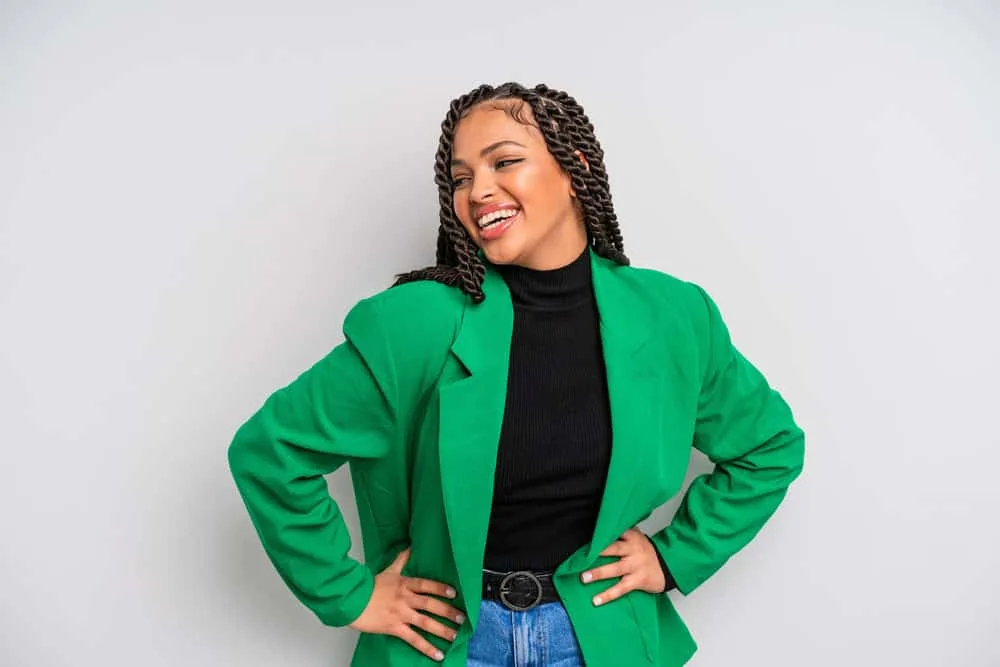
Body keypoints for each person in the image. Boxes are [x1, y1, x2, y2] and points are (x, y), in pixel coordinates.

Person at [227, 82, 805, 667]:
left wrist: (673, 557)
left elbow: (769, 448)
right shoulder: (417, 322)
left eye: (505, 161)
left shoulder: (674, 316)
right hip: (444, 642)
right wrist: (348, 595)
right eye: (459, 177)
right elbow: (271, 451)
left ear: (574, 167)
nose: (478, 191)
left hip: (601, 639)